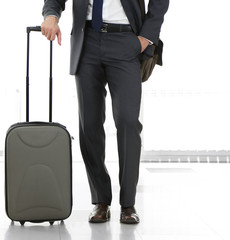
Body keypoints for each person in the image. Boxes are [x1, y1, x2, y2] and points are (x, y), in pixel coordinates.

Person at [41, 0, 169, 224]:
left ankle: (128, 203)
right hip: (87, 40)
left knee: (128, 121)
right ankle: (101, 200)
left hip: (126, 40)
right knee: (89, 124)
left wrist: (146, 38)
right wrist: (51, 15)